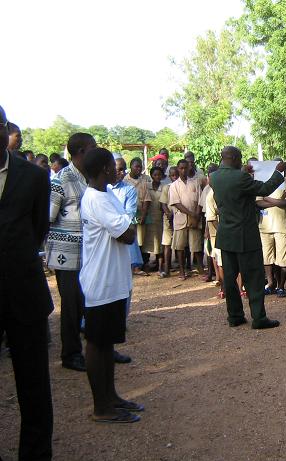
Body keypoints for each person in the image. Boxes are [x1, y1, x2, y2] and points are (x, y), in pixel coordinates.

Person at [0, 105, 54, 460]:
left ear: (4, 130)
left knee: (33, 384)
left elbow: (38, 230)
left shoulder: (33, 177)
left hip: (24, 293)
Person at [80, 147, 142, 424]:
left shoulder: (105, 195)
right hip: (101, 282)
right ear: (105, 168)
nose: (117, 169)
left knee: (107, 345)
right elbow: (127, 234)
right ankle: (101, 407)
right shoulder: (96, 199)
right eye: (112, 165)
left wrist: (127, 227)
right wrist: (128, 227)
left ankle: (111, 397)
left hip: (113, 280)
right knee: (97, 343)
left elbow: (126, 229)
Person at [209, 145, 285, 329]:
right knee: (254, 277)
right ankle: (259, 318)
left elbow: (235, 188)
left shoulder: (214, 177)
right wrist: (277, 173)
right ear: (235, 158)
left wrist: (243, 171)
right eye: (241, 158)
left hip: (226, 235)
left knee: (230, 278)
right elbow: (265, 188)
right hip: (245, 235)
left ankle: (234, 316)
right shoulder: (240, 177)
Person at [48, 132, 97, 372]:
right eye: (92, 148)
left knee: (92, 299)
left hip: (89, 252)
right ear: (80, 152)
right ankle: (71, 353)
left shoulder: (90, 177)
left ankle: (98, 348)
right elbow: (47, 215)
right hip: (66, 254)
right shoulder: (62, 179)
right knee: (71, 303)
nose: (96, 152)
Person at [256, 162, 286, 298]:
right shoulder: (263, 182)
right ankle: (271, 283)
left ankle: (281, 286)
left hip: (282, 226)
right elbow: (258, 203)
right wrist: (277, 200)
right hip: (265, 226)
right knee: (267, 258)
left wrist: (266, 198)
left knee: (284, 259)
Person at [169, 159, 204, 280]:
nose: (183, 170)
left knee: (196, 245)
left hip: (195, 218)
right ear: (178, 169)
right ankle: (182, 270)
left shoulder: (194, 183)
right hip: (181, 219)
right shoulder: (173, 186)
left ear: (189, 168)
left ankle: (200, 269)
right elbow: (176, 203)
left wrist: (197, 215)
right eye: (181, 168)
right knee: (180, 246)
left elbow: (201, 200)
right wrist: (191, 214)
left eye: (185, 168)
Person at [124, 157, 151, 274]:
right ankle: (129, 265)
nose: (139, 169)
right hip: (127, 215)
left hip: (140, 213)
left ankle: (140, 265)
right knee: (129, 240)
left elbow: (146, 199)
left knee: (141, 241)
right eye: (136, 166)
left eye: (140, 167)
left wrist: (144, 215)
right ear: (131, 167)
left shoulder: (143, 182)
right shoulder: (124, 181)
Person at [143, 166, 165, 275]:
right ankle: (145, 265)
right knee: (147, 242)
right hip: (148, 218)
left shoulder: (164, 188)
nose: (157, 177)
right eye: (155, 175)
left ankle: (160, 267)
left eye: (159, 175)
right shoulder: (146, 186)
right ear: (151, 175)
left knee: (159, 243)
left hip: (159, 219)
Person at [159, 166, 178, 277]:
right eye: (172, 175)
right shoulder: (167, 187)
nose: (174, 177)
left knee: (180, 244)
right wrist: (168, 214)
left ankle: (183, 267)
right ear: (169, 176)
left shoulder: (180, 186)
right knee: (167, 244)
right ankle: (167, 269)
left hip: (179, 218)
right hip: (168, 218)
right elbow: (163, 204)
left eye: (176, 175)